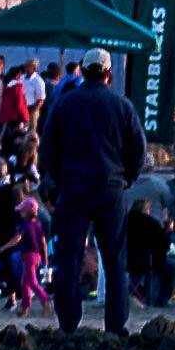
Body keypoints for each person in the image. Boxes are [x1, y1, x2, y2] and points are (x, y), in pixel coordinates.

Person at [40, 51, 140, 334]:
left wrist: (59, 180)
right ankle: (115, 324)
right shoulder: (122, 105)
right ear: (108, 73)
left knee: (68, 257)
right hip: (111, 188)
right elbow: (138, 148)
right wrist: (127, 177)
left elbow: (47, 148)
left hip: (73, 188)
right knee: (114, 259)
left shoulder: (65, 104)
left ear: (82, 71)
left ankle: (68, 322)